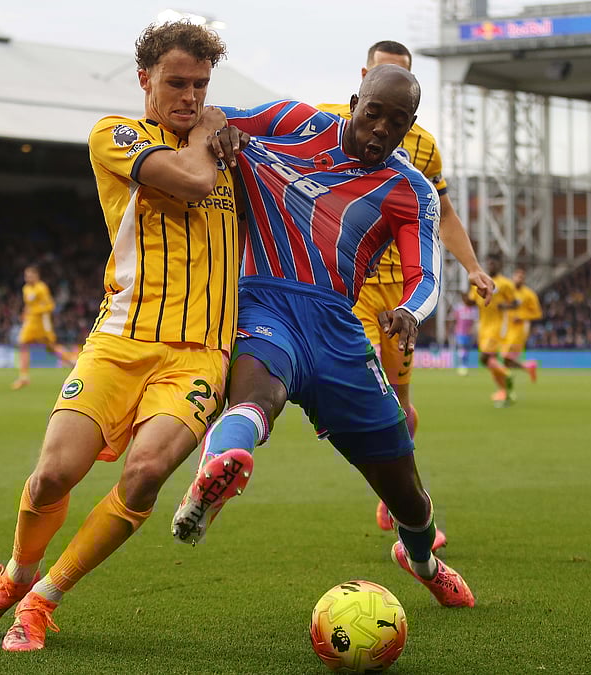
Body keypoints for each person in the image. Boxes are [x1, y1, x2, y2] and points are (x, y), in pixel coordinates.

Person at [0, 21, 242, 652]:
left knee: (144, 474)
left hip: (200, 352)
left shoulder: (233, 150)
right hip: (121, 338)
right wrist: (211, 131)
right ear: (144, 78)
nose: (189, 96)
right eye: (176, 83)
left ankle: (42, 599)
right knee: (54, 475)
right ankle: (15, 576)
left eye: (200, 85)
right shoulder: (115, 135)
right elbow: (191, 181)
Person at [171, 65, 475, 608]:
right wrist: (220, 132)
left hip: (337, 329)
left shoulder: (412, 190)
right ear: (354, 102)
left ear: (411, 126)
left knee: (403, 488)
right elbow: (205, 119)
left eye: (397, 122)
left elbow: (425, 276)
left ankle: (422, 558)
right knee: (258, 393)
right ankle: (213, 478)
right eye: (373, 113)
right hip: (263, 299)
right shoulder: (293, 120)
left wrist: (410, 311)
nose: (381, 129)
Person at [317, 40, 493, 531]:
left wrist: (473, 267)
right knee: (356, 392)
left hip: (400, 291)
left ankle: (399, 490)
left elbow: (444, 214)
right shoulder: (326, 122)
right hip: (346, 284)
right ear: (362, 80)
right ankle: (399, 494)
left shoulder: (422, 146)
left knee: (400, 405)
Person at [10, 265, 76, 390]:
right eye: (26, 275)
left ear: (37, 276)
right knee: (22, 343)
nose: (28, 278)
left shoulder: (41, 288)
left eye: (30, 275)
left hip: (42, 323)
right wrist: (24, 313)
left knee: (51, 347)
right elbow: (28, 305)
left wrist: (36, 310)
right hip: (31, 322)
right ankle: (24, 377)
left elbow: (50, 306)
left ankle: (72, 361)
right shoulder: (26, 289)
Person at [468, 256, 518, 407]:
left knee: (485, 358)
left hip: (497, 326)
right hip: (483, 326)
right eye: (489, 262)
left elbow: (515, 303)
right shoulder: (480, 282)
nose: (491, 265)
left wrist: (505, 307)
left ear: (500, 265)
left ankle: (507, 375)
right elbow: (472, 301)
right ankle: (505, 391)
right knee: (490, 361)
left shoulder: (505, 284)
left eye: (494, 262)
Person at [499, 266, 541, 394]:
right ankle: (527, 367)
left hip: (519, 330)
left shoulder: (529, 294)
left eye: (522, 277)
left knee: (504, 356)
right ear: (513, 277)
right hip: (506, 328)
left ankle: (505, 390)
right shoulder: (508, 291)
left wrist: (522, 317)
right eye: (517, 276)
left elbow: (537, 313)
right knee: (505, 360)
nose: (519, 279)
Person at [451, 293, 479, 375]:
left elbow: (475, 321)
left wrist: (474, 331)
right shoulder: (458, 308)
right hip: (459, 332)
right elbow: (454, 319)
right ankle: (462, 366)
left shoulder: (474, 309)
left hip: (469, 333)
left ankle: (464, 364)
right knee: (461, 348)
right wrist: (451, 329)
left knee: (466, 349)